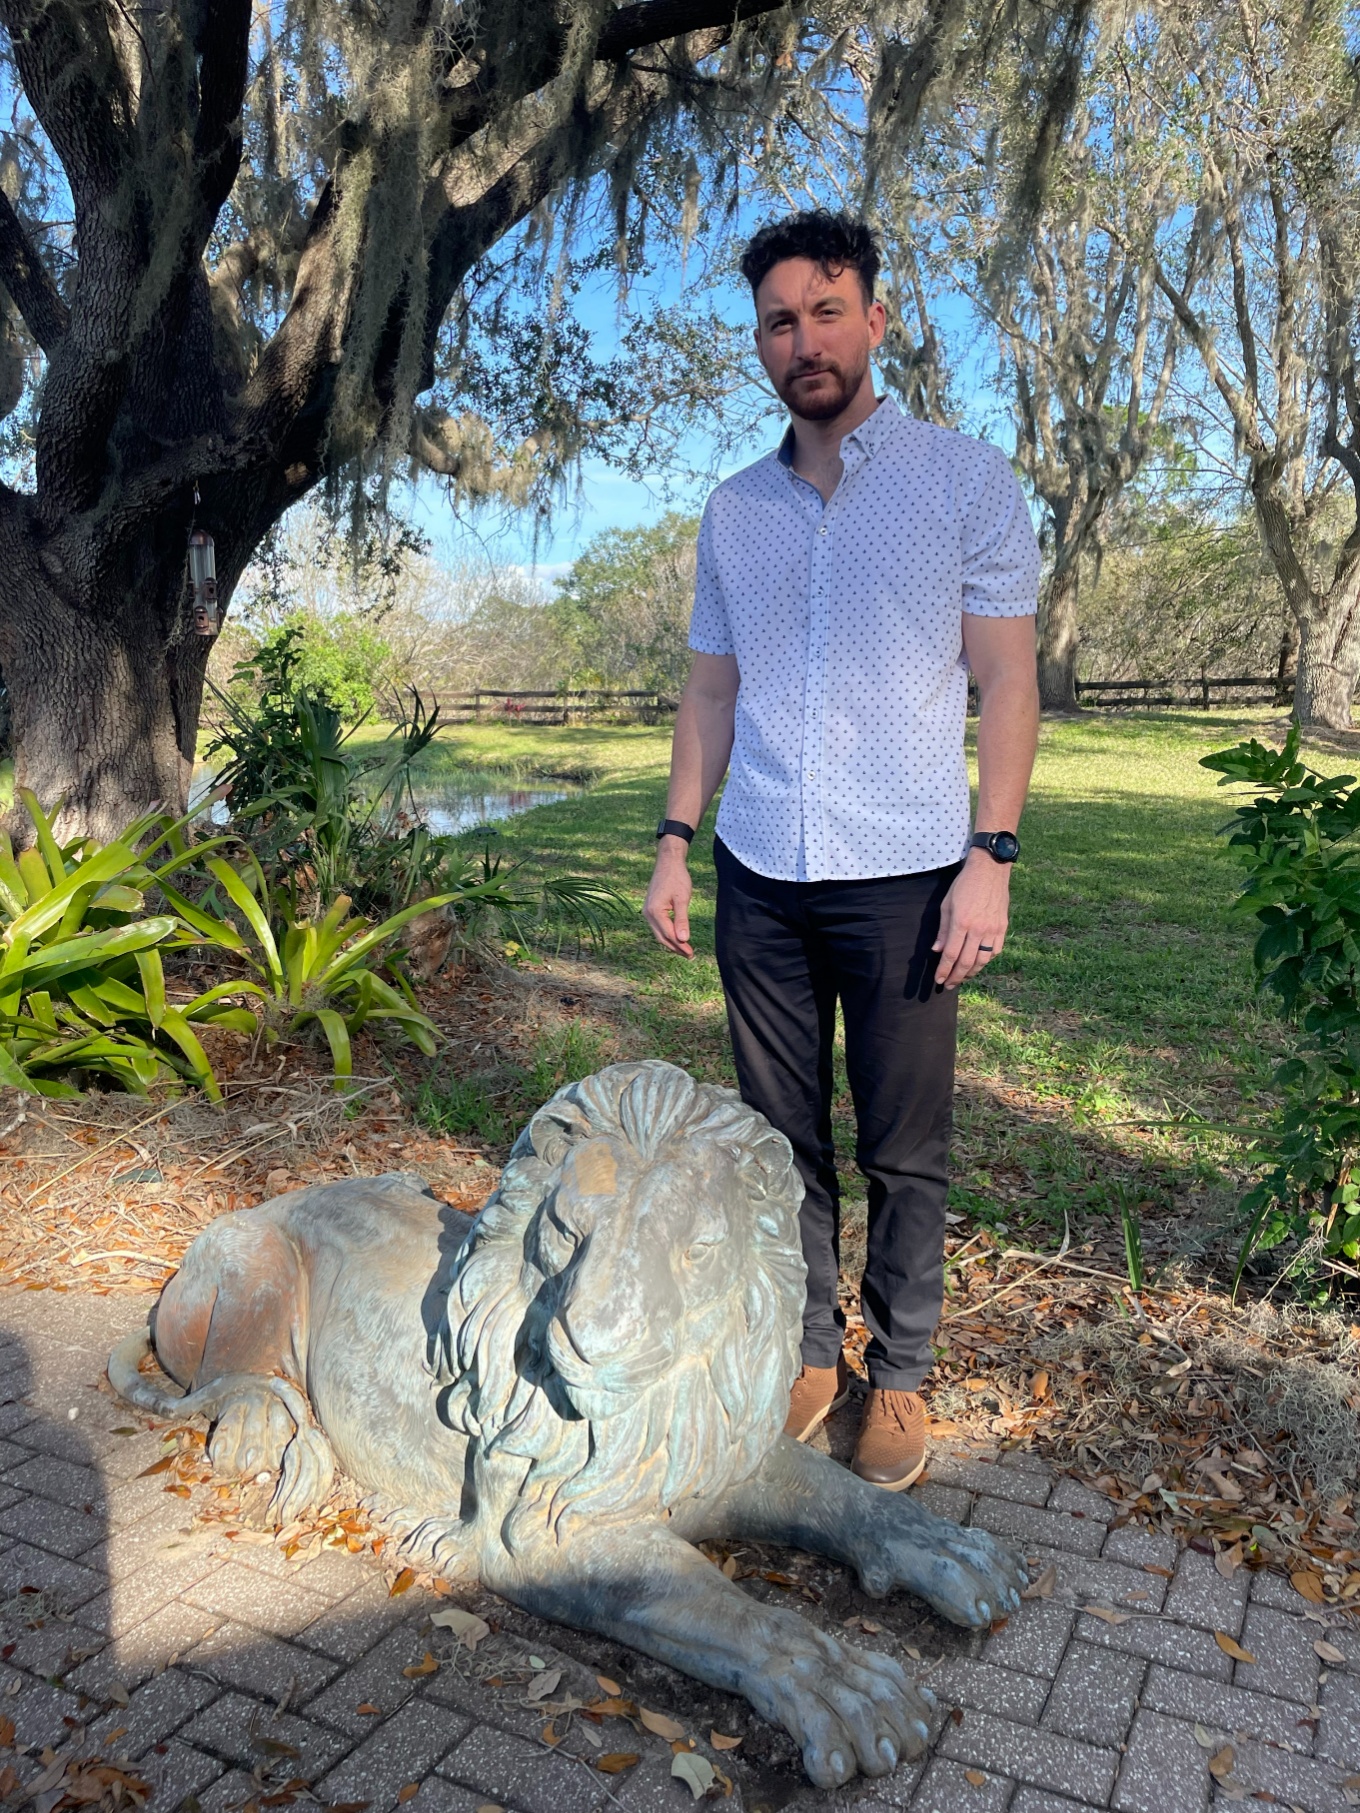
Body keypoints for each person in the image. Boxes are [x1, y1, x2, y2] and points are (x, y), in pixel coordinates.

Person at [643, 210, 1040, 1490]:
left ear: (876, 319)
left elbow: (1008, 682)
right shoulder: (732, 512)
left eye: (825, 311)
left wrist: (993, 853)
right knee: (778, 1139)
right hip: (760, 868)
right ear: (757, 340)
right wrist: (672, 842)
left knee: (900, 1144)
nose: (802, 339)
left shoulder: (964, 480)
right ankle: (809, 1352)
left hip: (910, 873)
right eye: (777, 319)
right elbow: (709, 694)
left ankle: (903, 1373)